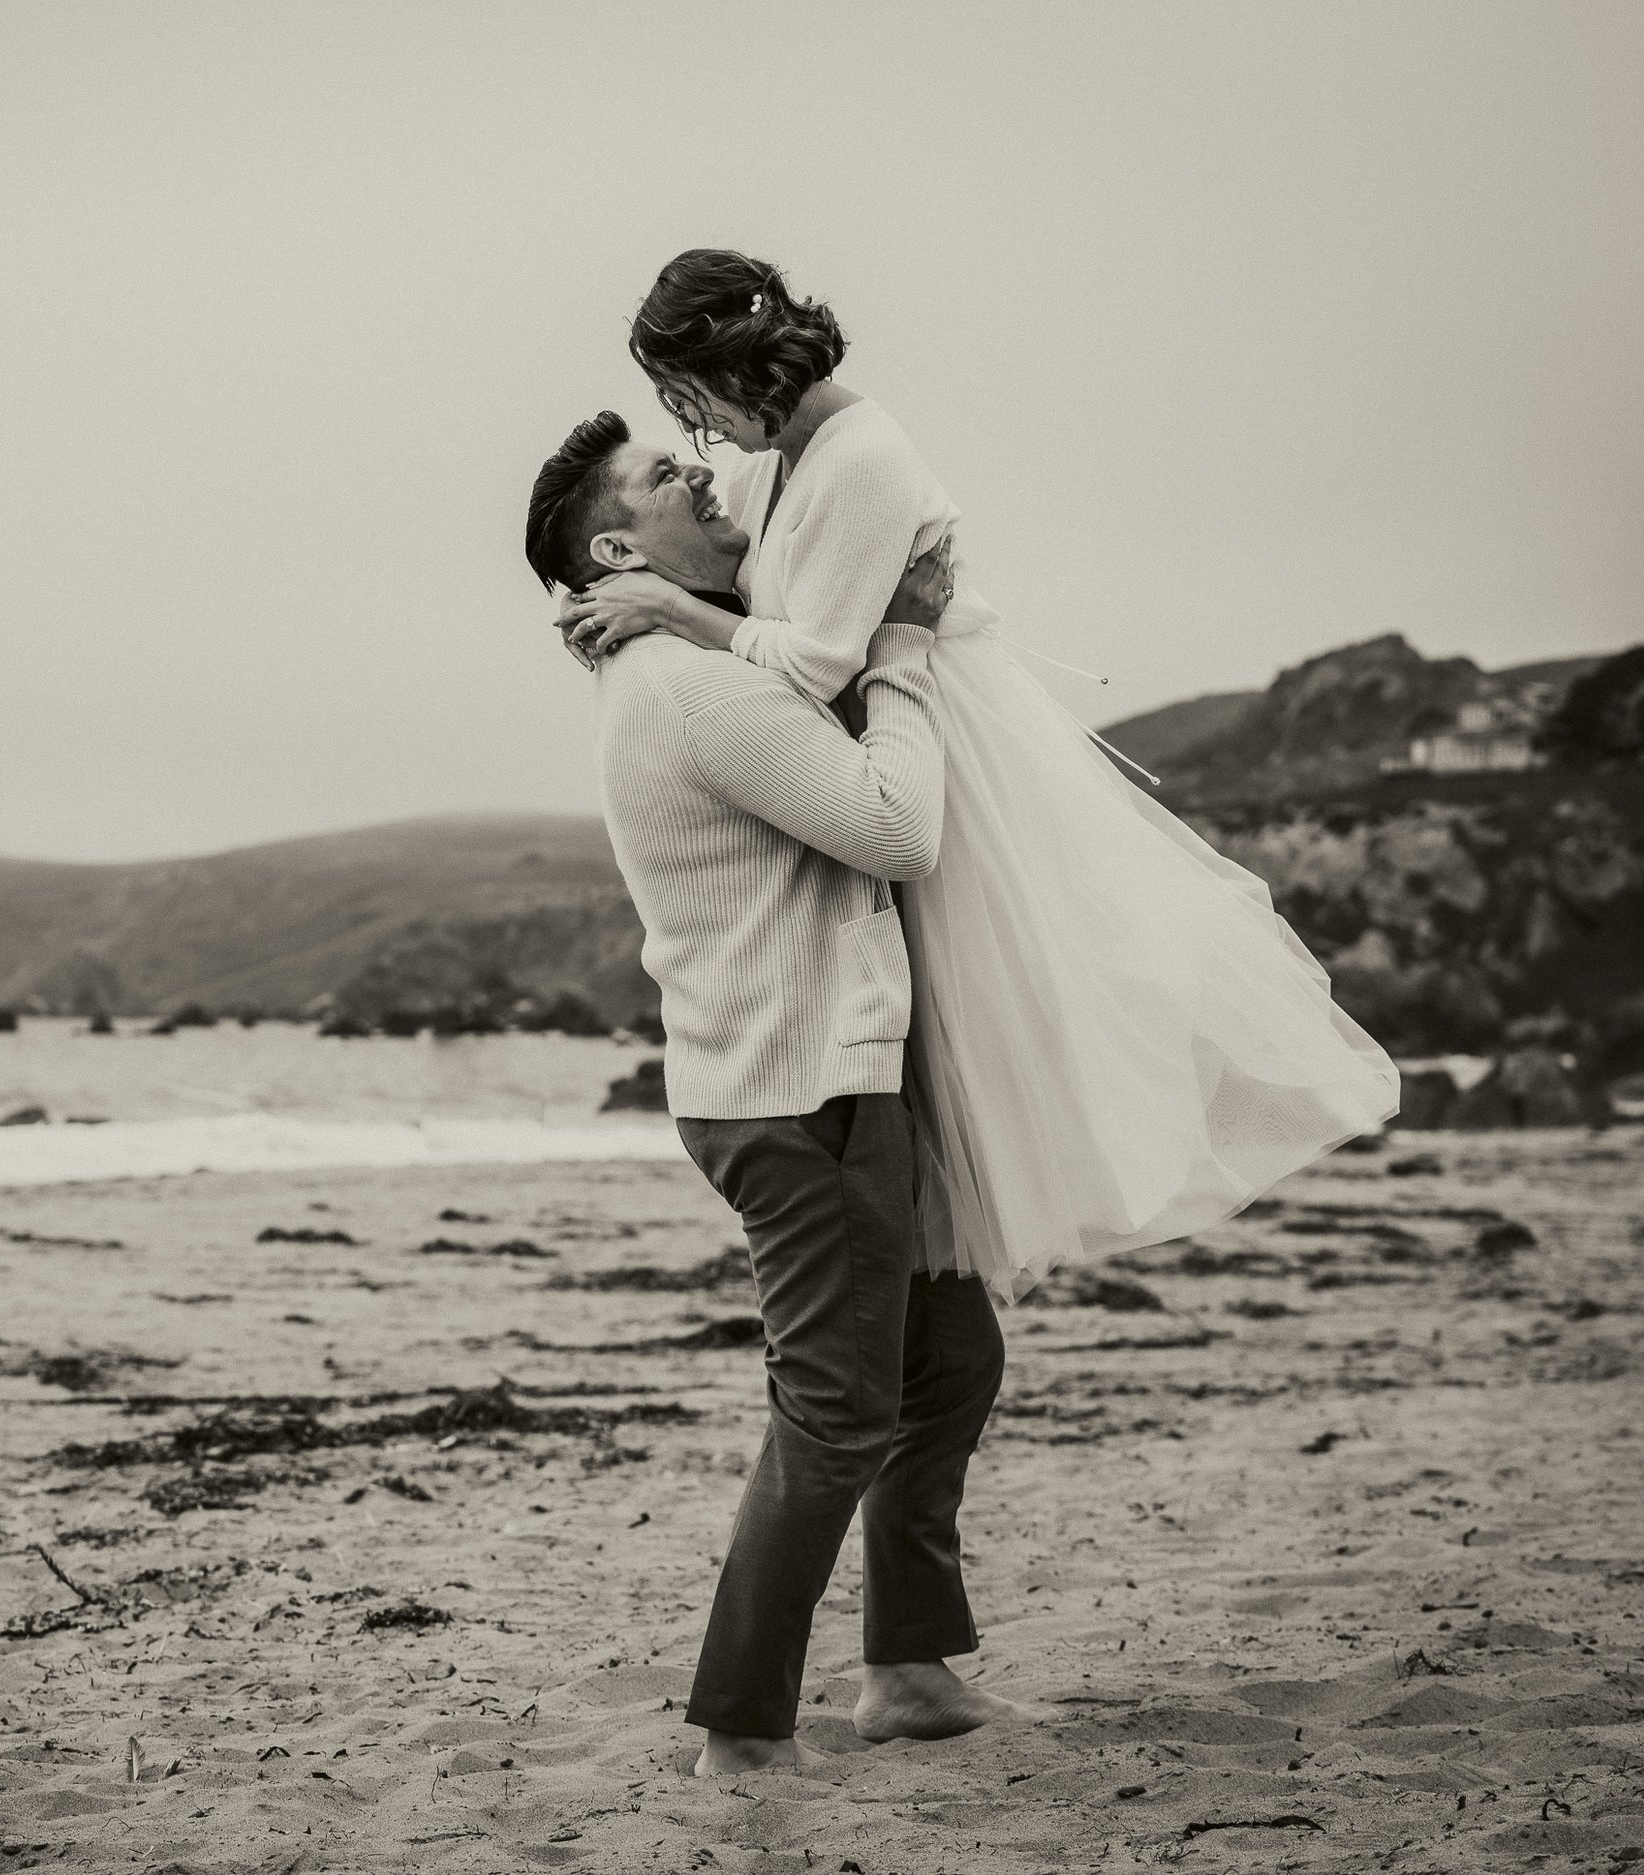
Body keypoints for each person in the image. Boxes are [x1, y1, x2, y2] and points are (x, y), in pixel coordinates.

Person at [561, 250, 1399, 1303]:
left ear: (738, 362)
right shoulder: (774, 463)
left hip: (922, 761)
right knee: (917, 1103)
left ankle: (913, 1323)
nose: (702, 440)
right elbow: (739, 605)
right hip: (864, 756)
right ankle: (910, 1319)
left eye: (692, 405)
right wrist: (622, 600)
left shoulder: (863, 457)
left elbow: (817, 659)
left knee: (970, 1066)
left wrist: (673, 611)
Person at [523, 411, 1023, 1776]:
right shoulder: (694, 688)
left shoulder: (691, 655)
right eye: (668, 477)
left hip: (816, 1073)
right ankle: (740, 1730)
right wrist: (908, 647)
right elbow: (895, 829)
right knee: (840, 1405)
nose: (707, 473)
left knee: (951, 1360)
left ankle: (909, 1669)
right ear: (619, 546)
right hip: (803, 1089)